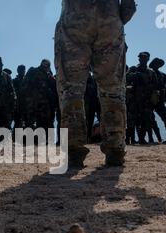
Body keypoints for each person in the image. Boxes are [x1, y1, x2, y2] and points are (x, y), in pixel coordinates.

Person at [55, 0, 137, 166]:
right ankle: (115, 150)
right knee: (113, 89)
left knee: (71, 90)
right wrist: (116, 19)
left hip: (75, 18)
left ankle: (74, 152)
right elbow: (129, 7)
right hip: (109, 18)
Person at [23, 59, 58, 141]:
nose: (46, 68)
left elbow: (54, 86)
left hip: (44, 104)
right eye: (46, 66)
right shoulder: (33, 71)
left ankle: (42, 140)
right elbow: (25, 86)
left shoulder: (49, 74)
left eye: (48, 66)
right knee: (30, 122)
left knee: (44, 122)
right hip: (32, 102)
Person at [133, 52, 159, 144]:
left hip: (147, 100)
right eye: (141, 58)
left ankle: (141, 138)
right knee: (135, 120)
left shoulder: (151, 72)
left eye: (145, 58)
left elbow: (156, 86)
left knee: (146, 119)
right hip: (135, 99)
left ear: (148, 59)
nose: (142, 59)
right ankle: (136, 138)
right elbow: (127, 82)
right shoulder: (133, 70)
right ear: (139, 59)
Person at [0, 57, 16, 132]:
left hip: (6, 104)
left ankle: (5, 141)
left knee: (6, 124)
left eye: (0, 64)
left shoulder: (7, 76)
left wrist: (13, 101)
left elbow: (12, 90)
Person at [84, 71, 101, 144]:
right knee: (88, 121)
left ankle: (92, 137)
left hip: (95, 103)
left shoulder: (96, 80)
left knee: (96, 120)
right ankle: (88, 137)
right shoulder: (87, 82)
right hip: (90, 104)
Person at [13, 65, 27, 129]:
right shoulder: (14, 81)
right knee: (17, 124)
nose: (22, 71)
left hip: (26, 106)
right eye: (20, 70)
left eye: (23, 70)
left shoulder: (28, 81)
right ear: (18, 71)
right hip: (17, 106)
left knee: (27, 124)